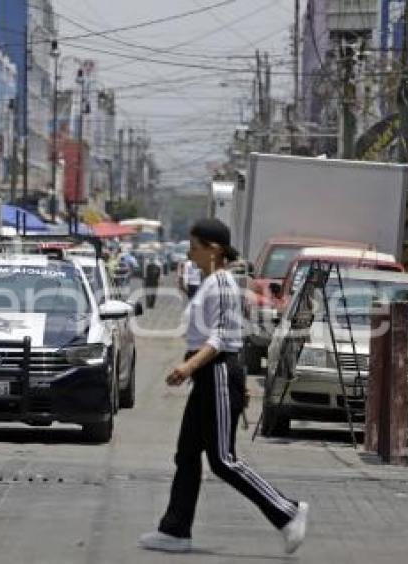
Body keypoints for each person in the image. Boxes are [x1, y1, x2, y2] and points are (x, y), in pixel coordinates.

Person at [139, 218, 308, 555]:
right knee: (187, 454)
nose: (190, 253)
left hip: (214, 370)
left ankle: (287, 511)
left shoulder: (222, 283)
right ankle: (175, 530)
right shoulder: (213, 281)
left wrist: (189, 366)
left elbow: (221, 338)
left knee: (222, 459)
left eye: (194, 246)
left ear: (213, 249)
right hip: (211, 375)